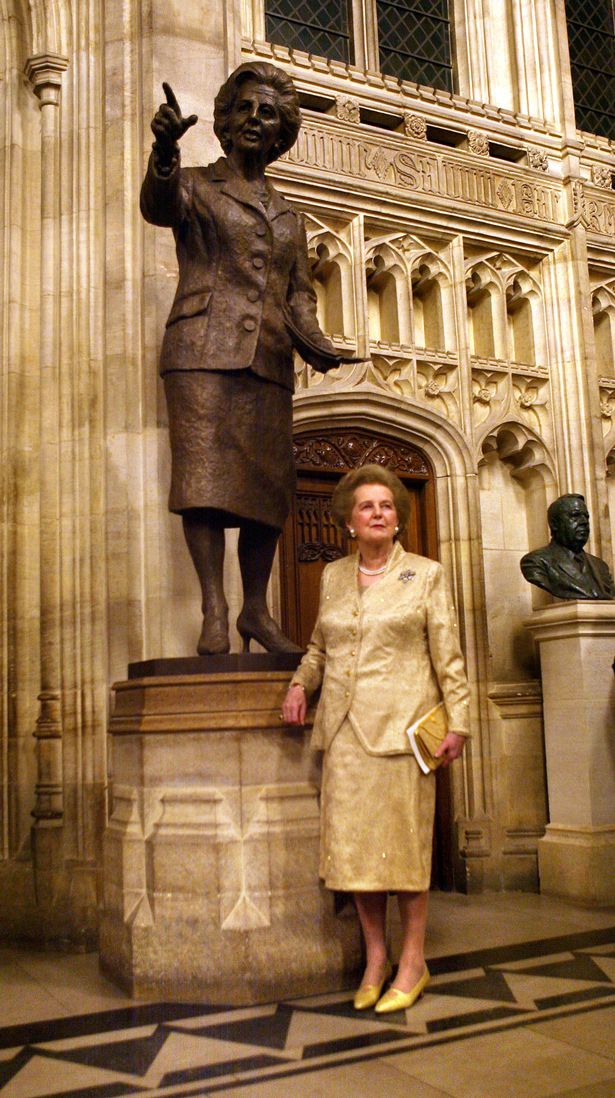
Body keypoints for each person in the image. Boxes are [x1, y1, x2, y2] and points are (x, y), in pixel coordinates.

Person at [140, 63, 354, 655]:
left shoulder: (290, 215)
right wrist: (163, 151)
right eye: (247, 110)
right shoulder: (196, 185)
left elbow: (298, 292)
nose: (257, 120)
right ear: (227, 123)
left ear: (281, 131)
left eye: (270, 113)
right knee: (203, 482)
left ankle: (256, 612)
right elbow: (159, 206)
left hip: (269, 361)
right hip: (201, 352)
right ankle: (215, 605)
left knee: (267, 489)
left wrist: (315, 339)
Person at [281, 464, 470, 1013]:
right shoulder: (333, 576)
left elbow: (448, 653)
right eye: (367, 506)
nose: (379, 513)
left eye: (387, 505)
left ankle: (413, 962)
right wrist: (299, 684)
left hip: (402, 733)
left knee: (404, 854)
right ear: (348, 521)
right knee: (355, 856)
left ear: (397, 517)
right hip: (343, 734)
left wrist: (458, 720)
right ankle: (375, 958)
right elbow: (319, 646)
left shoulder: (426, 575)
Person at [520, 493, 615, 600]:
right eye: (575, 515)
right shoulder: (535, 562)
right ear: (554, 524)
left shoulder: (600, 566)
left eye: (586, 516)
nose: (584, 522)